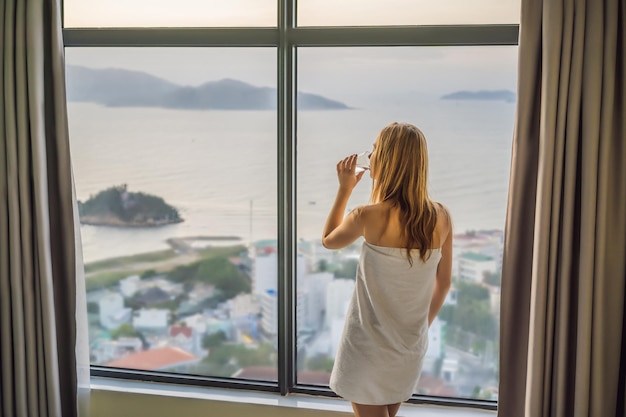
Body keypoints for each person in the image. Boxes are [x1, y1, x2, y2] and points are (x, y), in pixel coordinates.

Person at [322, 122, 453, 417]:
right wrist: (419, 328)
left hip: (367, 350)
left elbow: (328, 241)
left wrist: (344, 190)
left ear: (389, 160)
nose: (370, 157)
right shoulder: (442, 217)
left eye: (376, 150)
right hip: (408, 348)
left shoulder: (366, 216)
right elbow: (443, 284)